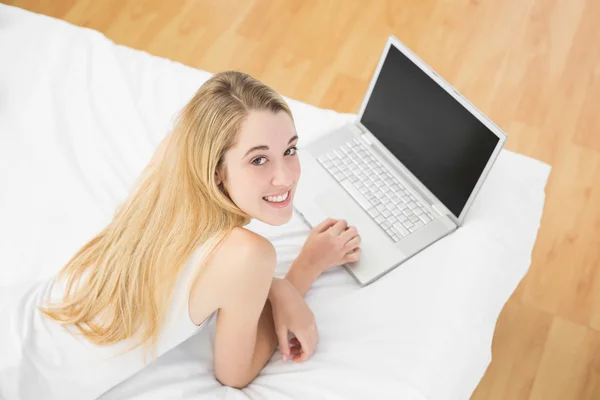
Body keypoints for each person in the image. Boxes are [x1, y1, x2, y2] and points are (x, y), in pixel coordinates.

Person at [0, 70, 361, 399]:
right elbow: (235, 374)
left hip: (21, 318)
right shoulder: (248, 255)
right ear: (216, 169)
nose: (286, 177)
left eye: (290, 150)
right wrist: (304, 270)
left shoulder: (176, 152)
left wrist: (275, 287)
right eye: (258, 159)